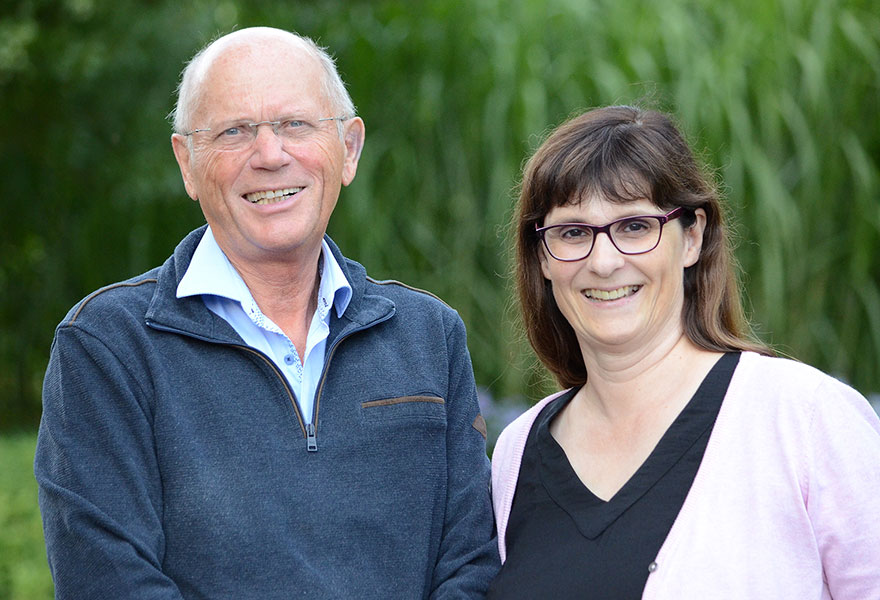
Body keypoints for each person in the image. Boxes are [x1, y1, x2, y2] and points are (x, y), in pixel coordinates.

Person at [35, 27, 499, 599]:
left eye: (295, 124)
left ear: (348, 149)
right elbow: (105, 581)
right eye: (235, 131)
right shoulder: (108, 344)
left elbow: (472, 566)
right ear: (187, 162)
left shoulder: (429, 335)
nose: (271, 155)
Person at [488, 105, 880, 598]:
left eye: (634, 226)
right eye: (572, 232)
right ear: (542, 256)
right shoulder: (517, 453)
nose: (604, 261)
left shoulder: (805, 420)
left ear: (692, 237)